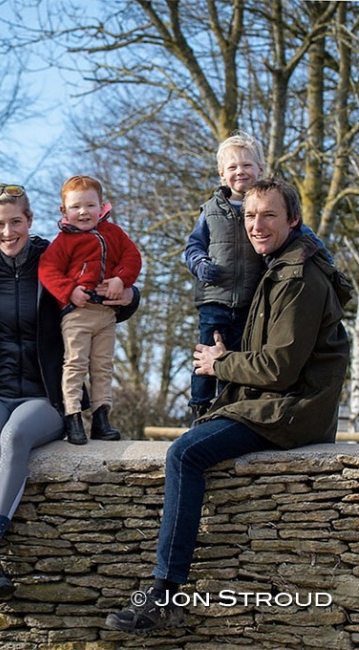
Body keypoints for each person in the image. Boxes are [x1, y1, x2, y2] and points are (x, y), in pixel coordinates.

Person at [105, 178, 351, 634]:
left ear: (293, 219)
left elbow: (279, 368)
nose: (256, 225)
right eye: (250, 216)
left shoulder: (297, 276)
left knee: (185, 453)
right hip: (280, 401)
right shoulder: (279, 263)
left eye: (269, 216)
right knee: (194, 438)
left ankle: (165, 595)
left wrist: (221, 363)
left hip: (294, 409)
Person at [0, 183, 139, 601]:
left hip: (45, 394)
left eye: (16, 221)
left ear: (30, 221)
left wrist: (128, 293)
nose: (8, 231)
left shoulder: (53, 258)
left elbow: (104, 284)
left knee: (13, 438)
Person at [185, 131, 331, 424]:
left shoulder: (268, 204)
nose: (240, 172)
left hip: (252, 299)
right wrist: (199, 263)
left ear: (260, 169)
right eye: (233, 167)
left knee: (237, 355)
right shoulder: (211, 210)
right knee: (206, 353)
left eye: (247, 166)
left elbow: (303, 232)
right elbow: (193, 246)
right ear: (222, 174)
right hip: (216, 296)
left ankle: (227, 407)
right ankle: (199, 405)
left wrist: (325, 259)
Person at [38, 175, 142, 445]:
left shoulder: (114, 234)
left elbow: (132, 257)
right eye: (75, 207)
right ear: (64, 211)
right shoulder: (62, 241)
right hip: (77, 313)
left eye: (89, 206)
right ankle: (73, 416)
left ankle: (101, 417)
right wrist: (68, 290)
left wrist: (121, 279)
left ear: (102, 207)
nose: (83, 212)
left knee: (103, 366)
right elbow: (48, 271)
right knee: (75, 364)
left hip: (106, 314)